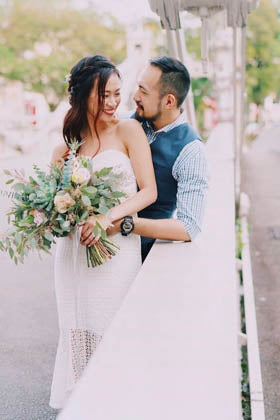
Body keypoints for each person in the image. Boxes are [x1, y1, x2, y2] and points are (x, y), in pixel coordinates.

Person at [49, 55, 157, 409]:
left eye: (116, 94)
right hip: (74, 257)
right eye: (103, 96)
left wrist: (104, 217)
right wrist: (60, 217)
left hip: (116, 253)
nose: (113, 103)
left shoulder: (129, 130)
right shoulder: (66, 147)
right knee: (77, 329)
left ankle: (119, 406)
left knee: (114, 328)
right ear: (83, 97)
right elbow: (56, 205)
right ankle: (86, 405)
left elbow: (148, 192)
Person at [109, 56, 208, 261]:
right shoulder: (123, 122)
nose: (135, 96)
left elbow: (189, 227)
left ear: (169, 101)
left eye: (143, 91)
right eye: (138, 87)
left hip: (142, 257)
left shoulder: (191, 150)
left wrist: (126, 224)